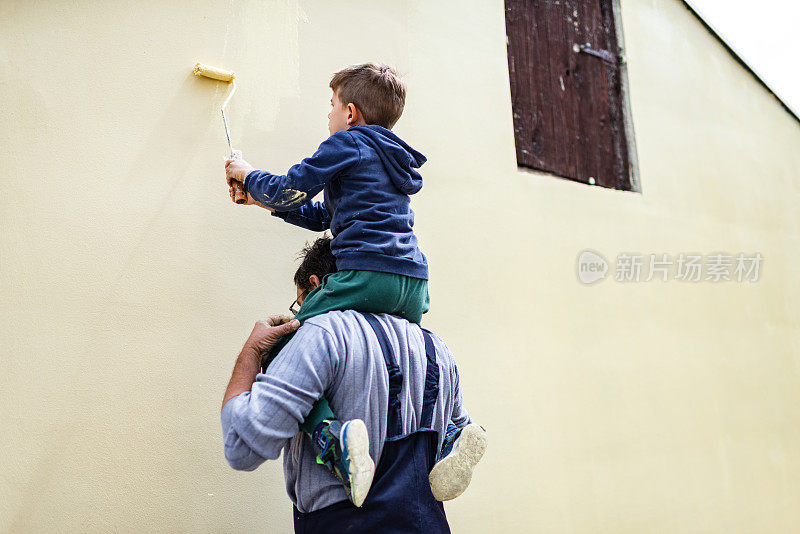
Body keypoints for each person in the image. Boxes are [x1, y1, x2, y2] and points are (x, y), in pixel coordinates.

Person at [223, 62, 433, 505]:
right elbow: (326, 218)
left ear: (351, 112)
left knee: (287, 340)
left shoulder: (347, 143)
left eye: (332, 105)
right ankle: (454, 429)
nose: (330, 115)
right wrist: (261, 203)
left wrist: (246, 174)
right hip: (413, 282)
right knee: (422, 357)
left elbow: (290, 189)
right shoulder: (392, 161)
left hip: (366, 274)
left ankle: (332, 440)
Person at [220, 240, 487, 532]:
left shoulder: (321, 334)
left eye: (299, 302)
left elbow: (241, 448)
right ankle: (454, 439)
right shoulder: (436, 348)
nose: (299, 313)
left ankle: (332, 439)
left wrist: (252, 352)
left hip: (344, 523)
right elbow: (458, 421)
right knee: (453, 431)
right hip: (427, 522)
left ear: (315, 283)